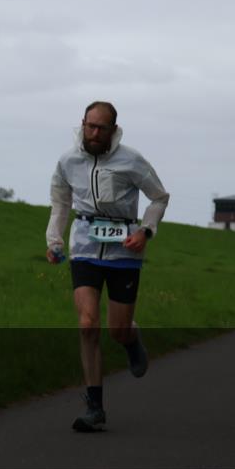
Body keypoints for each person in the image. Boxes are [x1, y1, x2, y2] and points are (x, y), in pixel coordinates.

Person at [45, 101, 170, 432]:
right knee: (87, 324)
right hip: (85, 245)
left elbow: (159, 197)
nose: (94, 133)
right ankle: (95, 407)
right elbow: (60, 202)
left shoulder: (131, 159)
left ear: (114, 130)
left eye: (101, 128)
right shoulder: (67, 160)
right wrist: (54, 241)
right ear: (82, 124)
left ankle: (130, 339)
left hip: (124, 250)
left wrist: (146, 231)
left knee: (116, 329)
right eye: (90, 126)